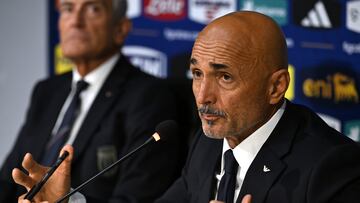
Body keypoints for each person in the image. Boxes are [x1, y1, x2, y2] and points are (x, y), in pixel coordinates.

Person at [13, 10, 360, 203]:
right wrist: (72, 202)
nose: (203, 96)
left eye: (224, 78)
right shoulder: (208, 144)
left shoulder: (332, 168)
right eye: (197, 74)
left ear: (276, 87)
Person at [0, 0, 183, 202]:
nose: (75, 21)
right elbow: (9, 180)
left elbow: (136, 198)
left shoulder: (148, 97)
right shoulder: (47, 90)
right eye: (68, 9)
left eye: (92, 9)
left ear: (121, 28)